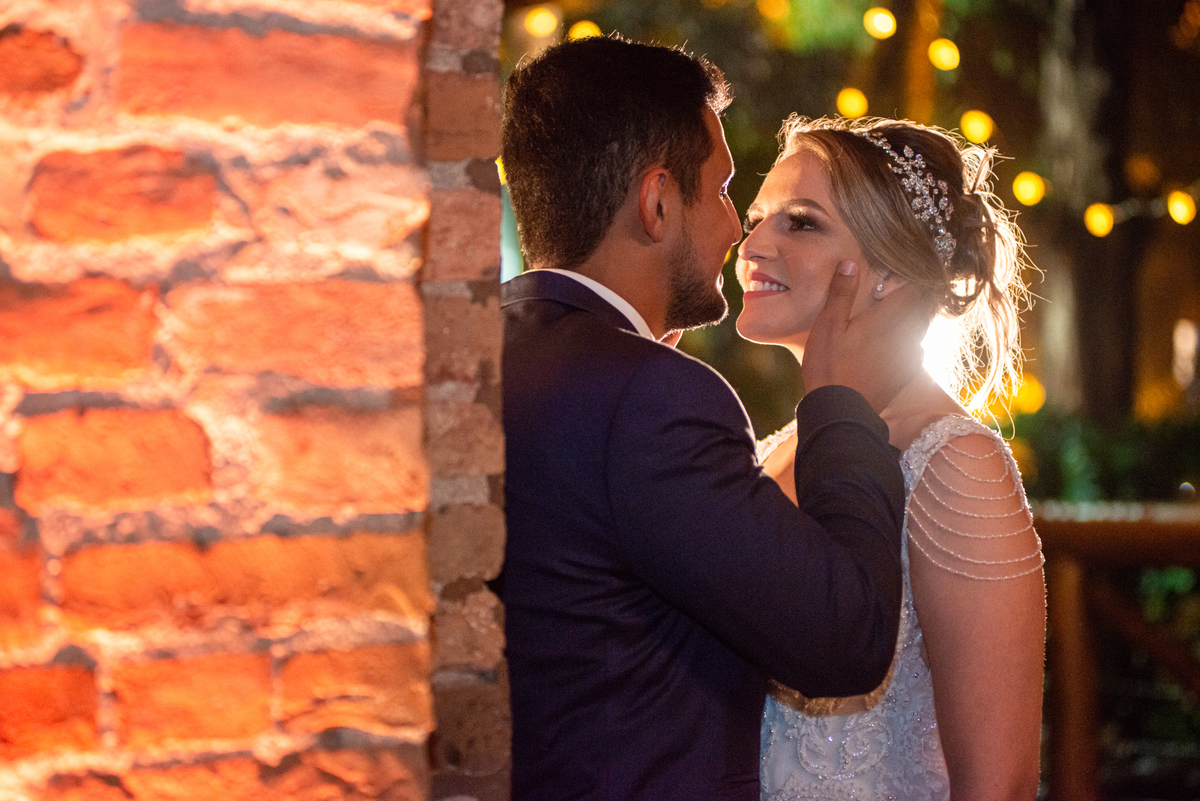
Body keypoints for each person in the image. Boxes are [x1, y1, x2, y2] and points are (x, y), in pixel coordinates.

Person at [498, 35, 935, 800]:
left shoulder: (479, 357)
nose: (738, 231)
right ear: (658, 202)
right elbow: (848, 636)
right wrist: (838, 402)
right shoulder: (651, 398)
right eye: (725, 191)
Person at [741, 116, 1046, 800]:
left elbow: (998, 783)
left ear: (887, 273)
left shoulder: (954, 464)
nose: (753, 243)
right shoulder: (770, 452)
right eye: (757, 219)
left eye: (800, 223)